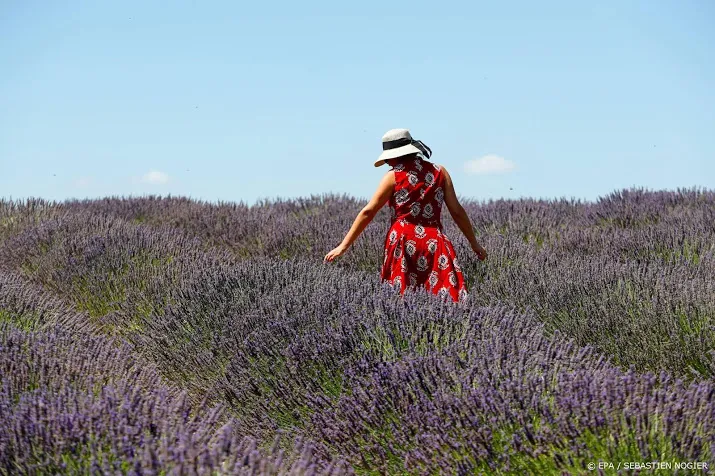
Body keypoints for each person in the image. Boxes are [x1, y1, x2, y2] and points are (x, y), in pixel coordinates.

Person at [324, 128, 487, 302]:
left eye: (388, 157)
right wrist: (474, 243)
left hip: (403, 241)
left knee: (400, 301)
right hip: (435, 242)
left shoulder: (393, 176)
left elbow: (368, 212)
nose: (387, 162)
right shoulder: (440, 172)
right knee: (446, 299)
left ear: (396, 154)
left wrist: (344, 246)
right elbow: (457, 211)